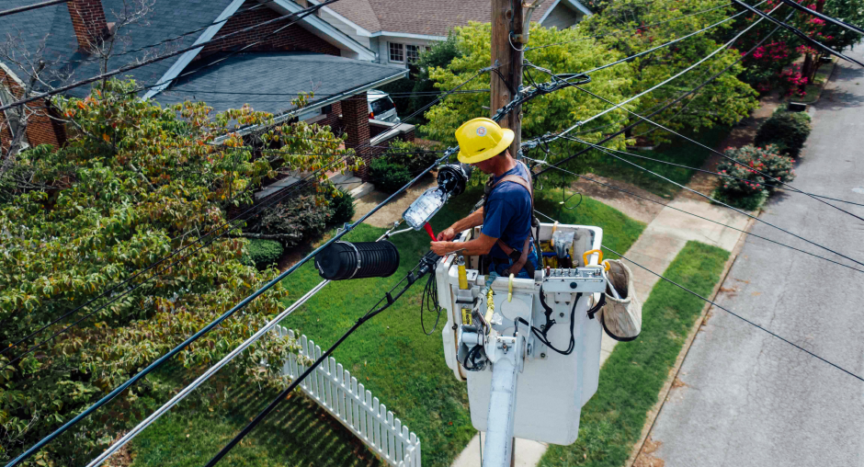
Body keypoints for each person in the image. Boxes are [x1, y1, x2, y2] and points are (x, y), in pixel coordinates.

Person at [430, 117, 540, 278]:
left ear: (490, 156)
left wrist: (447, 248)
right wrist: (455, 228)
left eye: (475, 160)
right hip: (519, 256)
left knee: (496, 304)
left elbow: (483, 246)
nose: (473, 165)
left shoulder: (506, 194)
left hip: (513, 268)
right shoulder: (517, 167)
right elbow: (489, 211)